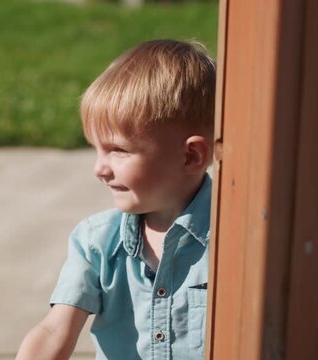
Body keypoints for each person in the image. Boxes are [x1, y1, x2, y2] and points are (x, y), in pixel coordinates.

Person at [15, 39, 216, 360]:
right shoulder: (96, 241)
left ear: (191, 156)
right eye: (96, 149)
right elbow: (55, 329)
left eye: (118, 150)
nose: (99, 169)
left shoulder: (231, 240)